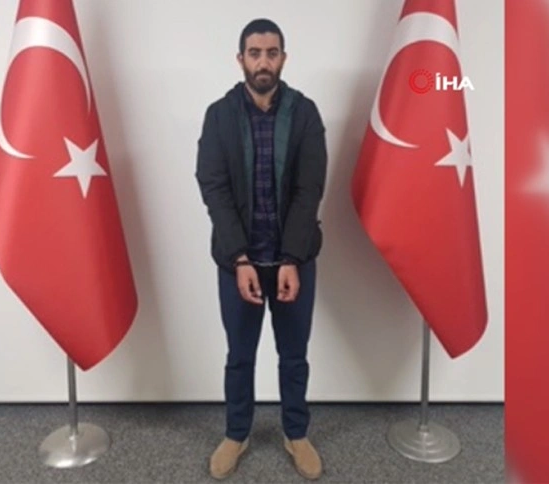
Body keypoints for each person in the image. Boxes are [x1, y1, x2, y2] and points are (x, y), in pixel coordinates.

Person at [195, 18, 328, 481]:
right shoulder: (219, 115)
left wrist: (291, 258)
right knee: (240, 356)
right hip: (239, 264)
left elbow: (310, 188)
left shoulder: (304, 113)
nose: (263, 62)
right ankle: (237, 433)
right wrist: (239, 258)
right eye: (255, 53)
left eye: (272, 53)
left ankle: (296, 433)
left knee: (294, 355)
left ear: (283, 58)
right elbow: (213, 187)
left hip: (294, 262)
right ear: (241, 60)